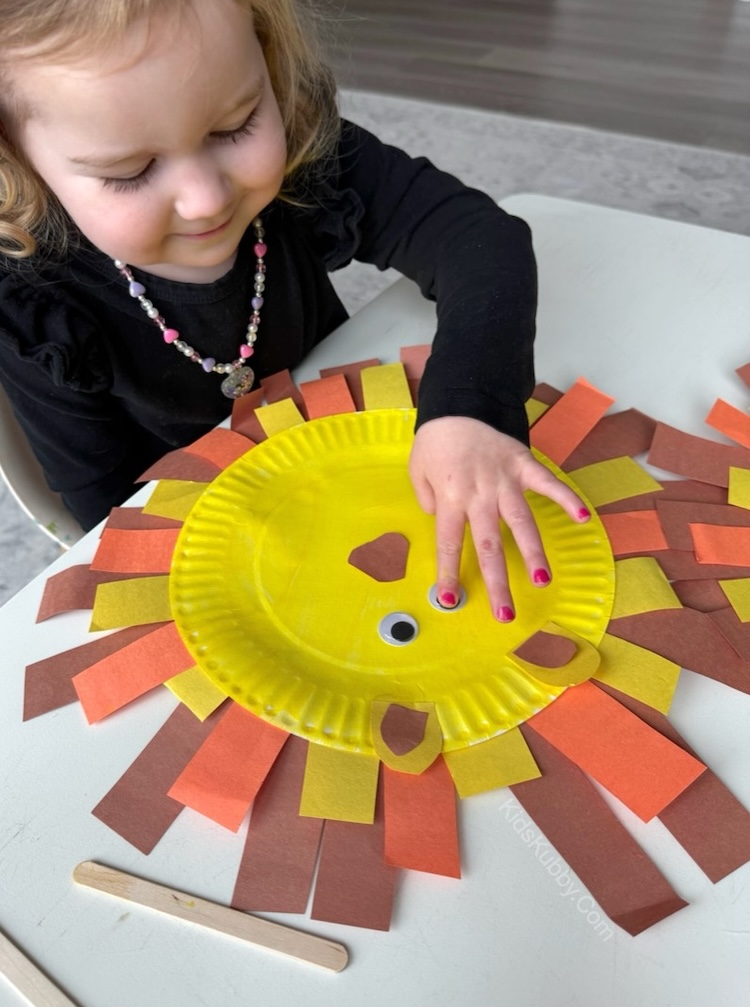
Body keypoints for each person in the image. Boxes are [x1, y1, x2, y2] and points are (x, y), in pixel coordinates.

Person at [0, 0, 588, 621]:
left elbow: (479, 238)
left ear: (269, 62)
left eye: (235, 124)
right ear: (16, 161)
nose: (205, 200)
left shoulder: (308, 160)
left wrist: (472, 405)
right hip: (218, 541)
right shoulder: (35, 310)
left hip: (367, 465)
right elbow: (104, 506)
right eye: (130, 171)